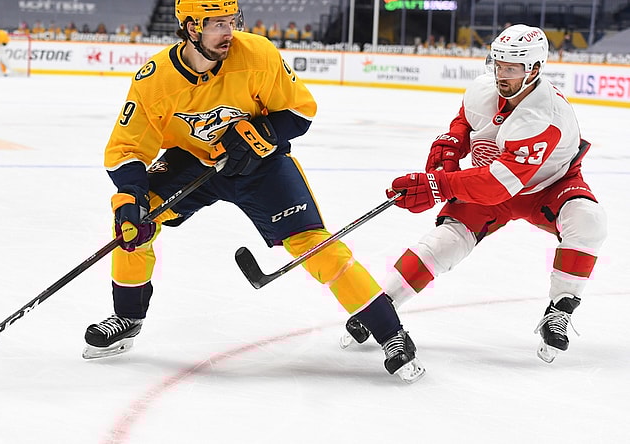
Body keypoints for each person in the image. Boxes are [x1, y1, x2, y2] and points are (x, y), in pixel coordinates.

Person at [82, 0, 424, 383]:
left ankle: (391, 333)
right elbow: (126, 149)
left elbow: (300, 111)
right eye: (217, 24)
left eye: (232, 21)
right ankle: (128, 316)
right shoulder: (155, 80)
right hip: (194, 162)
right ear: (191, 28)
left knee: (315, 246)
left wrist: (262, 134)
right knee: (134, 225)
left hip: (261, 167)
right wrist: (130, 197)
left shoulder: (257, 53)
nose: (229, 32)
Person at [342, 24, 607, 366]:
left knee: (589, 221)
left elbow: (498, 185)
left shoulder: (544, 117)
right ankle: (382, 306)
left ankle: (561, 307)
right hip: (495, 178)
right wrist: (451, 145)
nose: (502, 74)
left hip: (548, 186)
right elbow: (464, 123)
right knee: (445, 242)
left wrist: (439, 185)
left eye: (511, 68)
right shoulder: (482, 90)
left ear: (535, 69)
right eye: (498, 65)